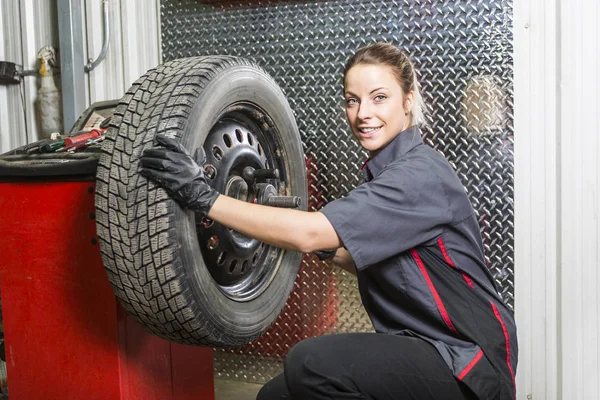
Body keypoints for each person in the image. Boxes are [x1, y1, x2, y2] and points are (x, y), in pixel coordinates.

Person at [140, 42, 518, 400]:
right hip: (424, 345)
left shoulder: (418, 175)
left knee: (310, 364)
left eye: (379, 98)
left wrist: (203, 197)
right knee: (276, 395)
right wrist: (272, 222)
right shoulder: (391, 172)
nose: (363, 113)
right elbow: (381, 265)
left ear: (408, 101)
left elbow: (309, 233)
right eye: (352, 101)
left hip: (467, 360)